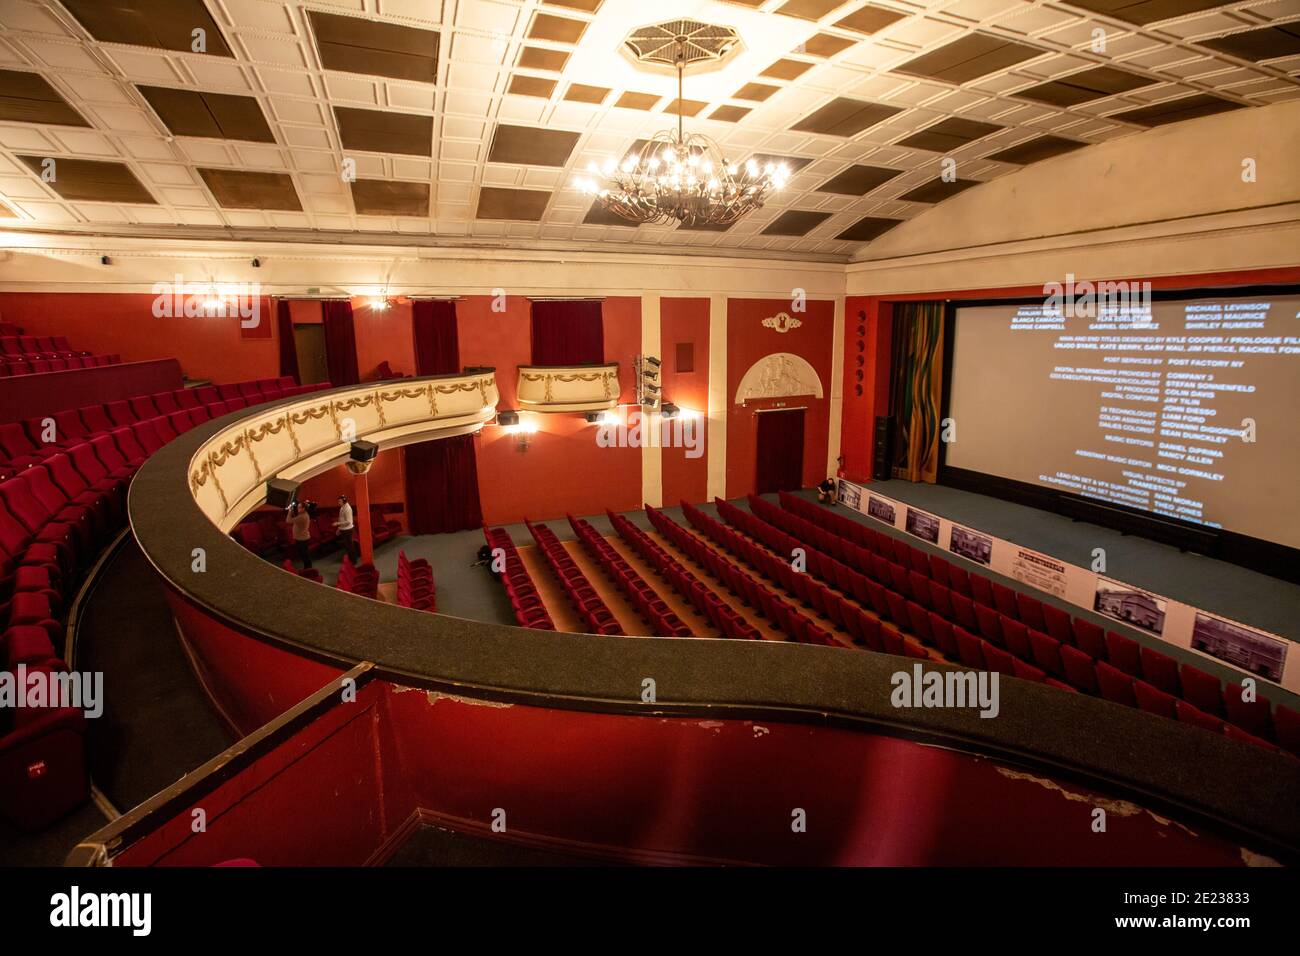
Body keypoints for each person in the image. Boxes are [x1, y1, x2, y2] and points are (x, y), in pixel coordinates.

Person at [288, 502, 312, 569]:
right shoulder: (303, 514)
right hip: (301, 538)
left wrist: (289, 511)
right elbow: (295, 519)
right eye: (298, 507)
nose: (297, 508)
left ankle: (308, 569)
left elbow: (288, 520)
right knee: (304, 554)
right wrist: (292, 511)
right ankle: (308, 568)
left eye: (299, 507)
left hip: (302, 539)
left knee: (305, 555)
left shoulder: (302, 516)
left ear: (303, 508)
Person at [335, 494, 358, 562]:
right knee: (347, 547)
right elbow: (341, 519)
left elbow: (348, 521)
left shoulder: (347, 508)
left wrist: (337, 524)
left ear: (344, 501)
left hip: (348, 530)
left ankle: (353, 561)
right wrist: (339, 528)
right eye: (338, 501)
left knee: (350, 546)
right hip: (343, 529)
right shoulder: (342, 507)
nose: (338, 503)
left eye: (339, 501)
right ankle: (350, 560)